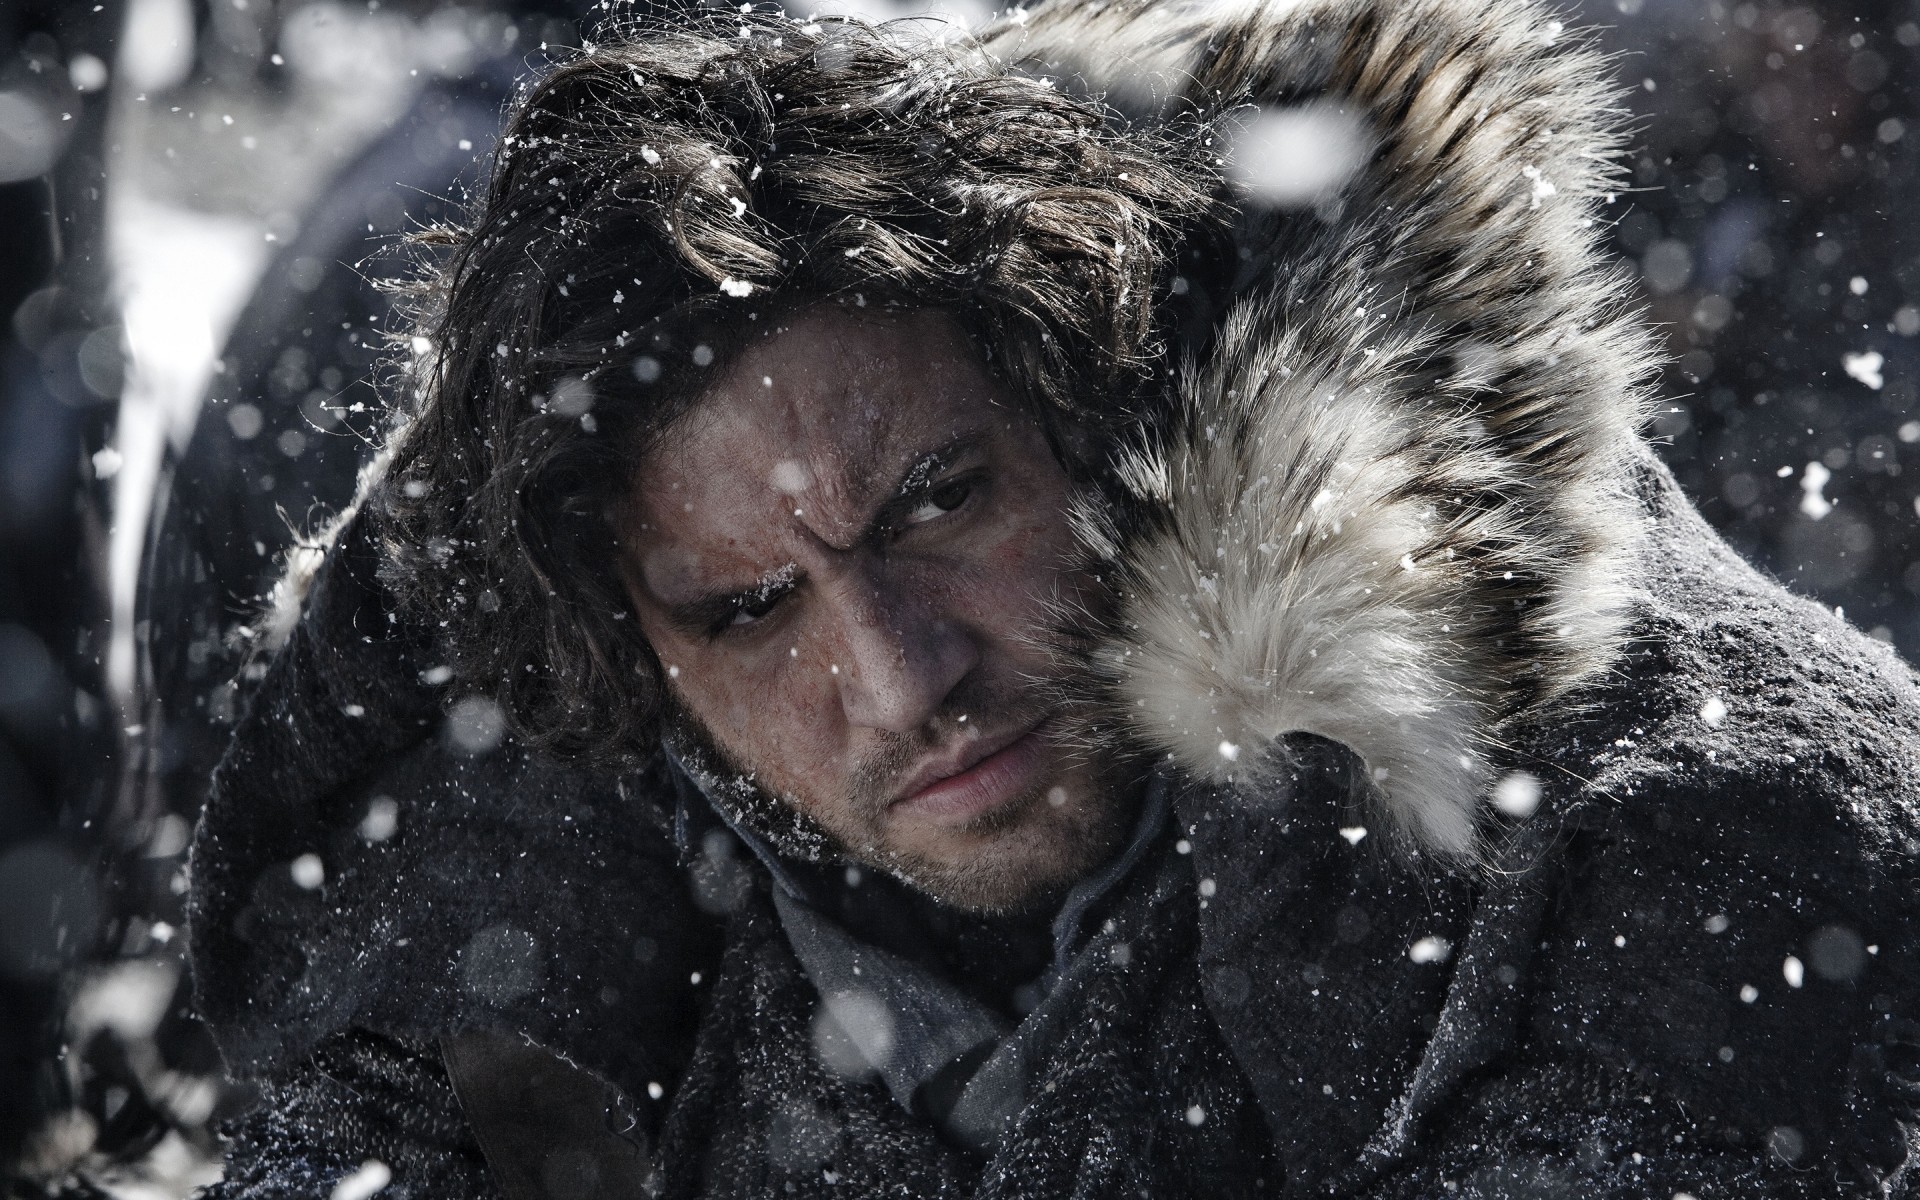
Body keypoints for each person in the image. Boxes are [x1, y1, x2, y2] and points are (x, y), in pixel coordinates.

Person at [185, 0, 1920, 1195]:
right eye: (748, 606)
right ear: (643, 655)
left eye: (942, 504)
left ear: (1107, 415)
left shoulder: (1679, 830)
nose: (895, 673)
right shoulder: (530, 858)